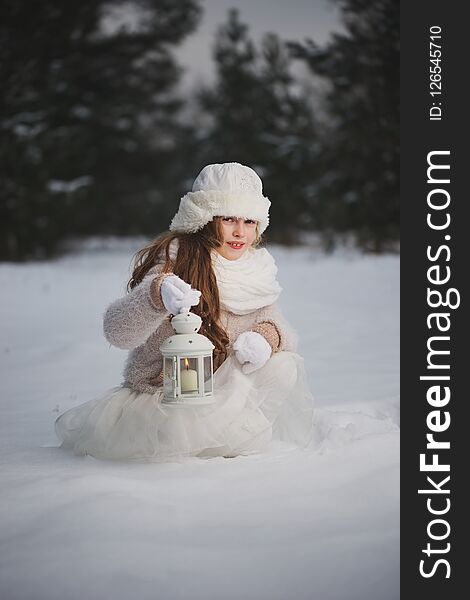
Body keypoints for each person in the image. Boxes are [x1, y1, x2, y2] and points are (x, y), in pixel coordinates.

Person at [55, 162, 314, 461]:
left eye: (249, 221)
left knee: (285, 364)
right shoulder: (177, 258)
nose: (240, 232)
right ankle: (204, 441)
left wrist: (265, 336)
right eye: (228, 218)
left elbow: (279, 325)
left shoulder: (255, 269)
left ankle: (227, 436)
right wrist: (156, 295)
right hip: (167, 399)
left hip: (221, 390)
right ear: (205, 218)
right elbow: (116, 331)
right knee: (180, 424)